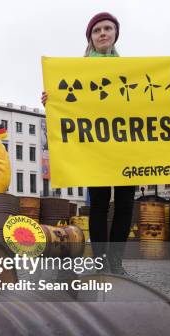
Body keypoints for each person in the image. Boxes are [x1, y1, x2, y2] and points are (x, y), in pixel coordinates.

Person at [42, 12, 133, 275]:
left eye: (108, 28)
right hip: (96, 148)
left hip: (127, 147)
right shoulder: (75, 73)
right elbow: (68, 106)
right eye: (97, 30)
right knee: (100, 204)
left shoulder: (132, 71)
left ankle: (116, 262)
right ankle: (102, 262)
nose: (103, 33)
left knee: (126, 205)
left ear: (115, 34)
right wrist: (52, 99)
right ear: (91, 38)